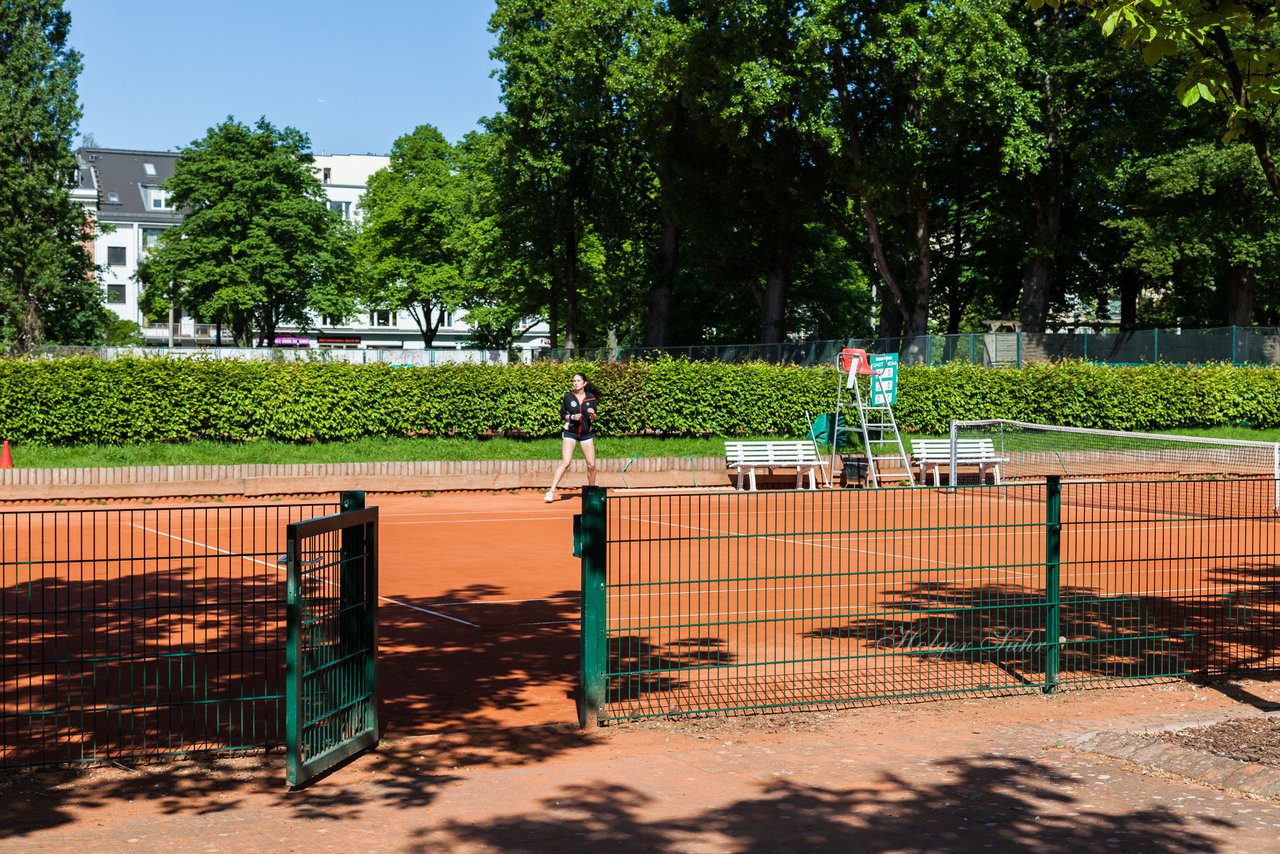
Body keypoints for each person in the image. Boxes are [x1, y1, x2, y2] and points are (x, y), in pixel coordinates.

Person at [545, 372, 599, 502]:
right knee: (566, 462)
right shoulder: (568, 397)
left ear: (584, 383)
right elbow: (563, 414)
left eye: (578, 380)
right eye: (574, 381)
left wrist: (592, 414)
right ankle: (551, 491)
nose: (575, 383)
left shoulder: (591, 398)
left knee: (591, 465)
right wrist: (572, 417)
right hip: (571, 433)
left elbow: (594, 417)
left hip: (586, 434)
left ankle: (591, 492)